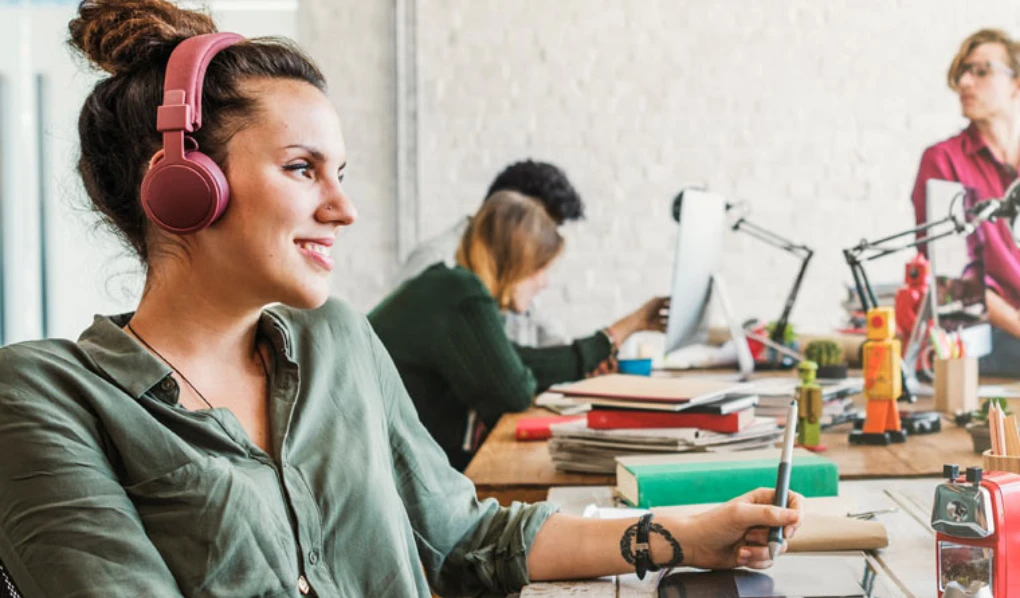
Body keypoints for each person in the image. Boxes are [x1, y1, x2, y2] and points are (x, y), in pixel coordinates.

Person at [0, 2, 801, 596]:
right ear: (180, 187)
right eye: (302, 169)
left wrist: (690, 536)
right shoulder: (46, 396)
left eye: (340, 174)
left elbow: (467, 536)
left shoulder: (338, 341)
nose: (343, 209)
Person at [370, 190, 668, 470]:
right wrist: (611, 338)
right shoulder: (460, 292)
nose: (545, 282)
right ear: (518, 262)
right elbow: (514, 391)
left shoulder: (452, 289)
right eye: (543, 269)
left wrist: (619, 332)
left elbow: (514, 362)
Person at [910, 28, 1020, 376]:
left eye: (981, 71)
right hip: (989, 331)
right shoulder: (943, 162)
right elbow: (957, 282)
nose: (965, 83)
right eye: (962, 73)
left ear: (1017, 83)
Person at [396, 159, 583, 347]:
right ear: (510, 215)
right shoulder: (433, 262)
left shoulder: (513, 269)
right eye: (542, 227)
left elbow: (538, 333)